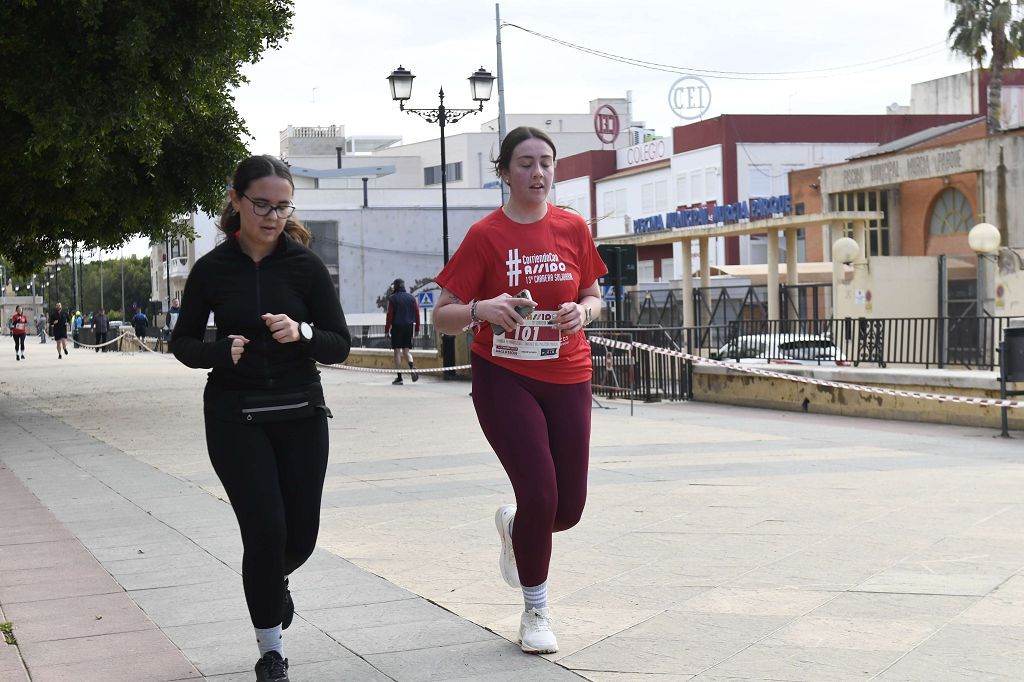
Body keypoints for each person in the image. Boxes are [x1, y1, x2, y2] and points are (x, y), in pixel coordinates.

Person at [172, 155, 351, 682]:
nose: (272, 216)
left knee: (302, 537)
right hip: (235, 416)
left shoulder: (305, 267)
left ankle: (272, 582)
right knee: (266, 531)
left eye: (282, 206)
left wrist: (304, 333)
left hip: (301, 412)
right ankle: (270, 651)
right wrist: (217, 348)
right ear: (236, 199)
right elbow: (182, 341)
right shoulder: (211, 269)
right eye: (262, 204)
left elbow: (339, 344)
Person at [433, 126, 606, 655]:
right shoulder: (486, 235)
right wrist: (481, 309)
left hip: (569, 372)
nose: (538, 173)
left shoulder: (573, 227)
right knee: (540, 493)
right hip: (504, 376)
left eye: (546, 163)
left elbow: (595, 295)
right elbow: (441, 315)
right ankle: (536, 610)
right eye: (526, 163)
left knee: (567, 509)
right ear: (504, 172)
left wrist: (585, 311)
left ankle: (516, 526)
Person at [384, 278, 420, 385]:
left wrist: (386, 331)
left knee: (397, 353)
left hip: (397, 327)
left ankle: (399, 378)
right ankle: (412, 366)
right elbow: (417, 314)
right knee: (406, 351)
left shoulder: (392, 299)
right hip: (409, 327)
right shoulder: (412, 298)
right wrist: (417, 328)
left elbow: (389, 315)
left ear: (395, 286)